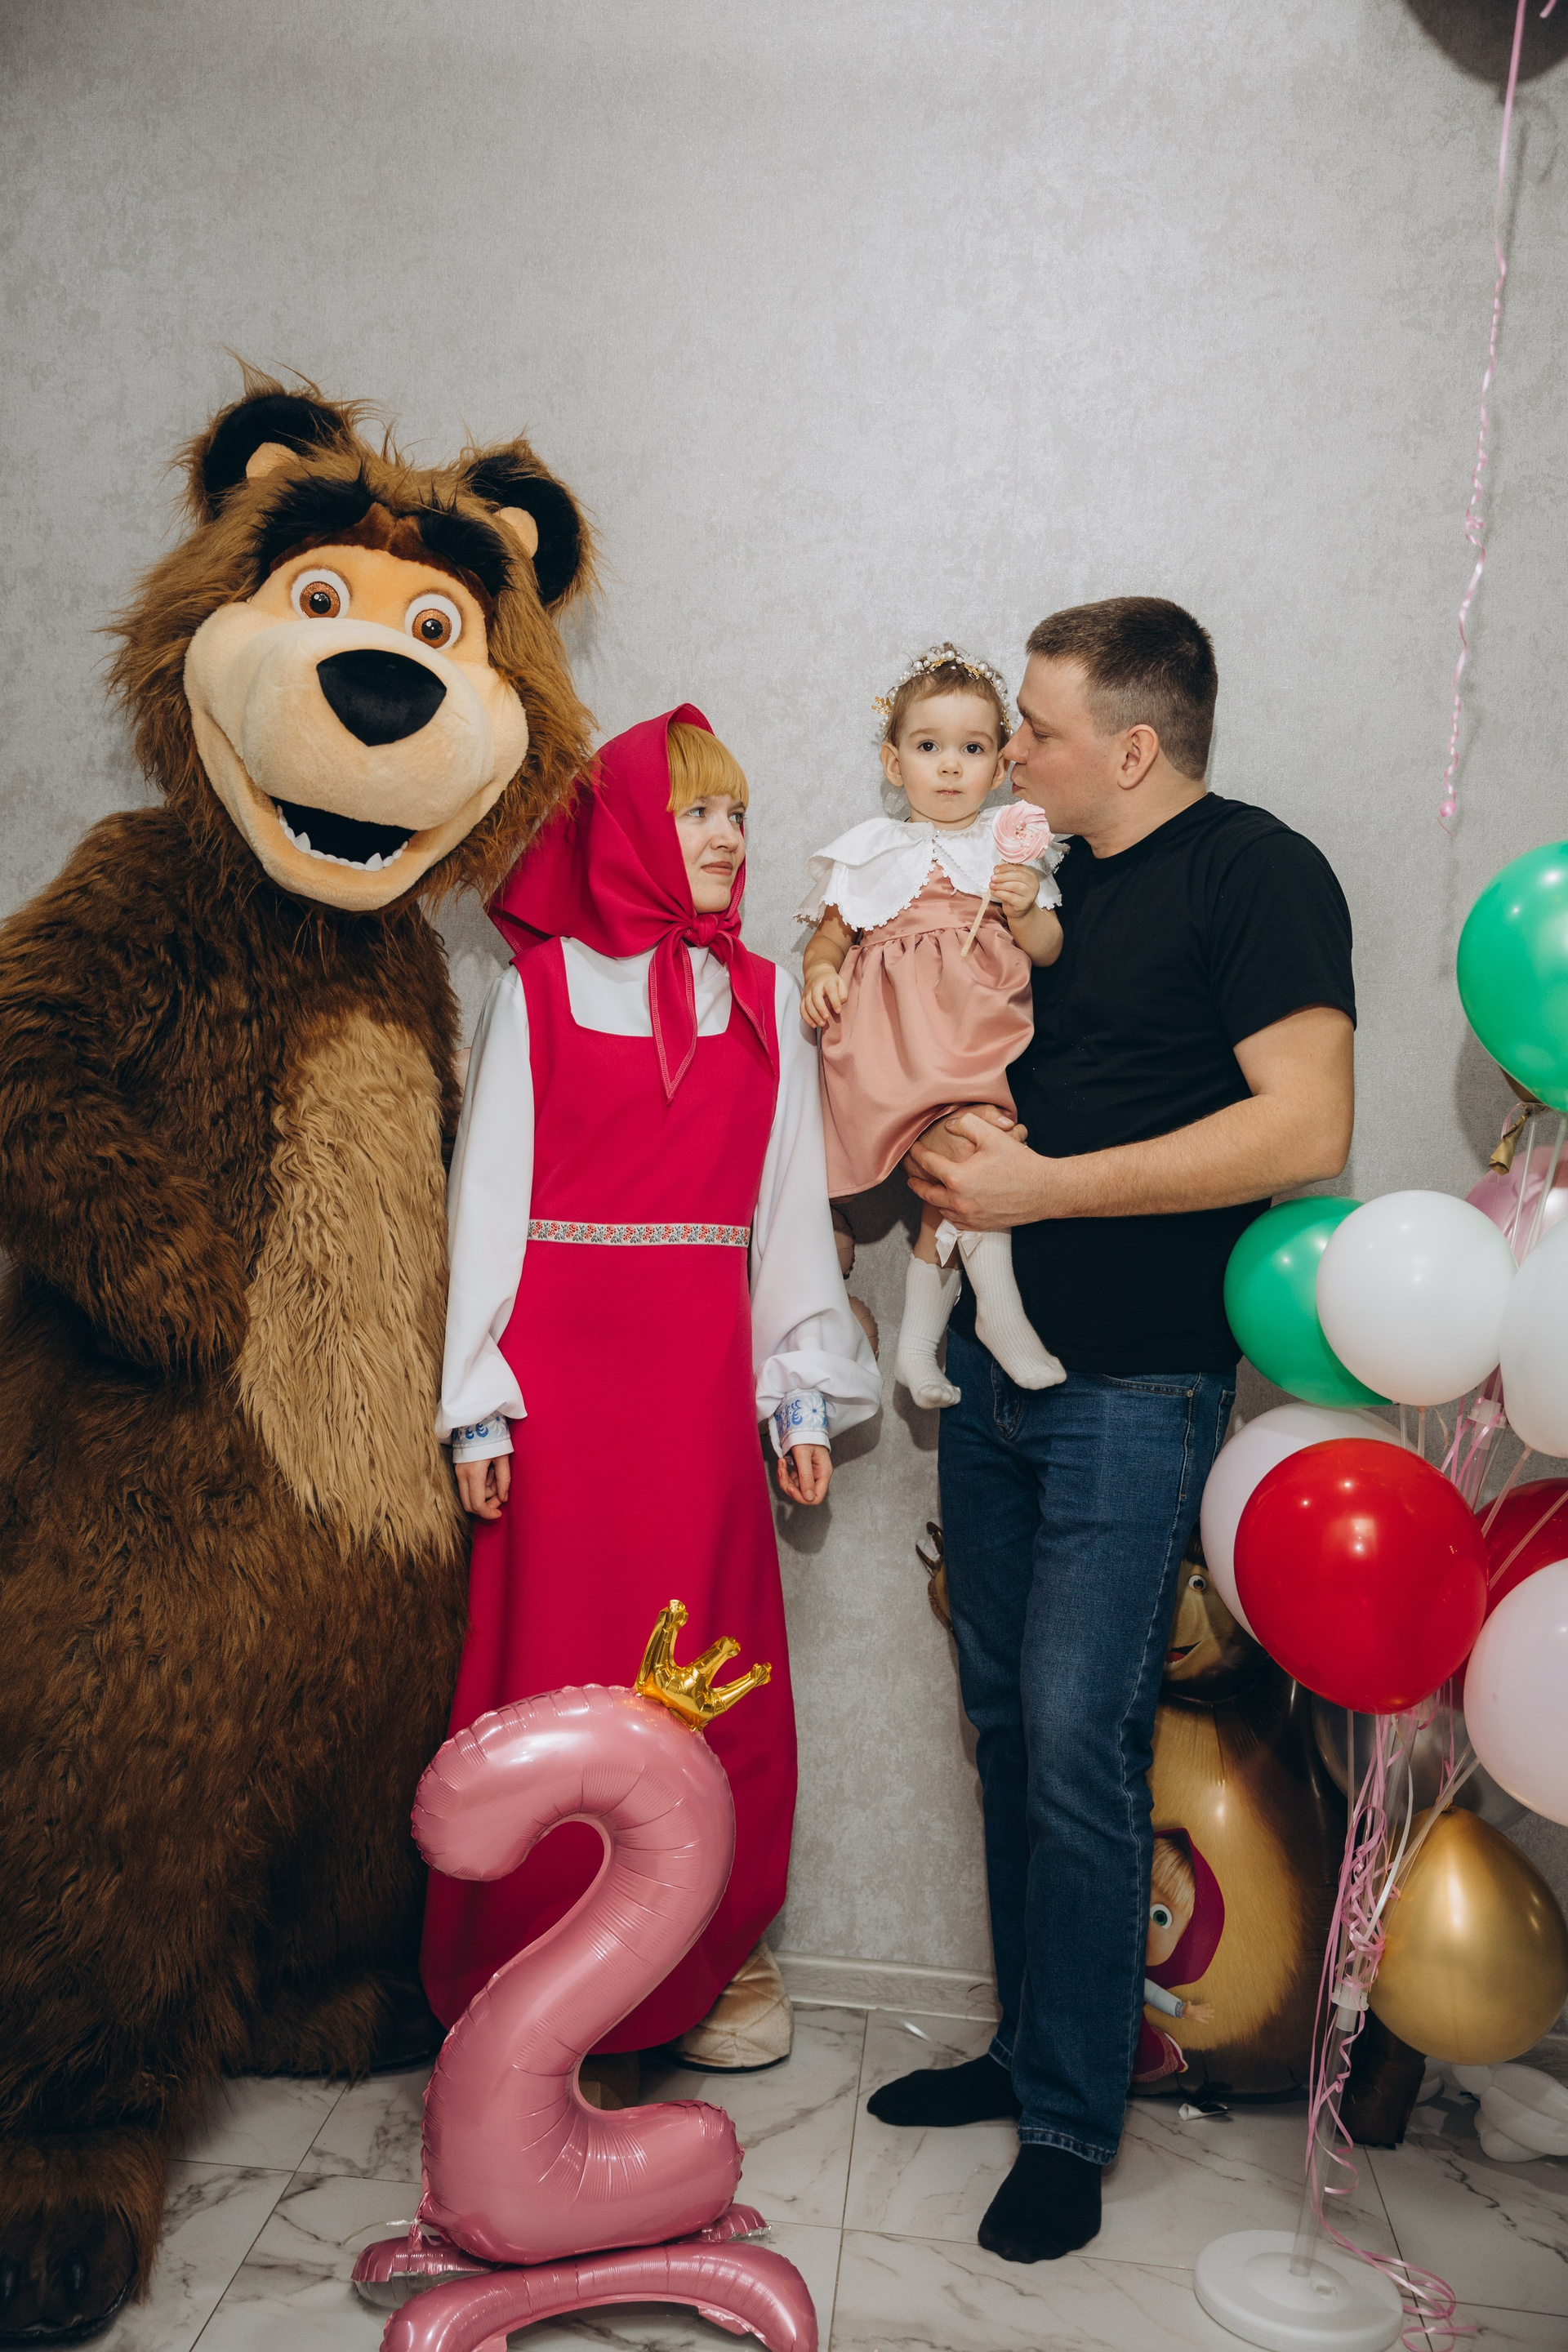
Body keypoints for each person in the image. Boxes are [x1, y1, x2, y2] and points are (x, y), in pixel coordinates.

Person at [869, 598, 1356, 2264]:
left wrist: (1043, 1190)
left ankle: (1073, 2123)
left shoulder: (1257, 874)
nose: (1014, 750)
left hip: (1138, 1389)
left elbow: (1306, 1127)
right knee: (1009, 1727)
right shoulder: (1042, 883)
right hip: (993, 1379)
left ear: (1134, 747)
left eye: (1042, 728)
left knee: (1085, 1744)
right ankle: (1027, 2052)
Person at [421, 706, 880, 2078]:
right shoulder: (540, 988)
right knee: (559, 1655)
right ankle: (539, 1956)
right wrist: (477, 1398)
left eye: (739, 813)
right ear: (627, 829)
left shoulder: (763, 997)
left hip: (696, 1386)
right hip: (562, 1387)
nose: (729, 836)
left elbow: (788, 1211)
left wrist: (798, 1394)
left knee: (701, 1657)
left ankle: (709, 1952)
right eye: (697, 812)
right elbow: (486, 1199)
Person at [799, 644, 1066, 1406]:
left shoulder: (1007, 849)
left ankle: (918, 1351)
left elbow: (1048, 949)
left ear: (1000, 764)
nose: (950, 766)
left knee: (956, 1180)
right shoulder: (869, 848)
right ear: (894, 763)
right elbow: (830, 939)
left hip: (975, 1032)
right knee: (973, 1158)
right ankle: (1000, 1317)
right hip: (895, 1042)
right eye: (928, 747)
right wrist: (820, 975)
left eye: (972, 749)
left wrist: (1023, 907)